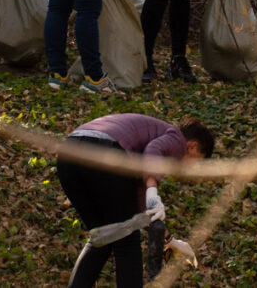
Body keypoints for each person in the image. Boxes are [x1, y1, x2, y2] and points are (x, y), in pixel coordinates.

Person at [57, 113, 214, 288]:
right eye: (195, 163)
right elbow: (154, 149)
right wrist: (153, 189)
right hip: (105, 151)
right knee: (127, 240)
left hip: (69, 156)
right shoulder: (177, 140)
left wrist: (169, 241)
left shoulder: (143, 156)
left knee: (103, 237)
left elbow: (139, 207)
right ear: (192, 147)